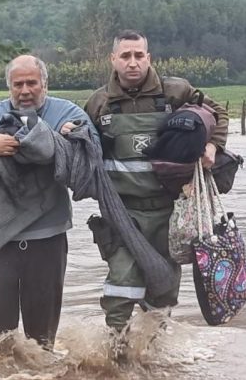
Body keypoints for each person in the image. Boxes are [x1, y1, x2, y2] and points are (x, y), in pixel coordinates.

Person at [84, 30, 229, 335]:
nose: (133, 62)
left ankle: (153, 360)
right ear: (113, 60)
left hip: (169, 213)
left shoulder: (175, 92)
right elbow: (79, 148)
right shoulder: (98, 103)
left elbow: (218, 113)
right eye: (125, 56)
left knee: (163, 293)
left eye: (139, 55)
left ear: (148, 58)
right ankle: (117, 354)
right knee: (121, 285)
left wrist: (212, 147)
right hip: (122, 215)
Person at [0, 54, 98, 350]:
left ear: (45, 84)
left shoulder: (66, 112)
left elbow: (93, 149)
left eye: (31, 83)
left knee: (42, 341)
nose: (25, 91)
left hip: (48, 236)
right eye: (17, 84)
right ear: (9, 86)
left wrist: (64, 139)